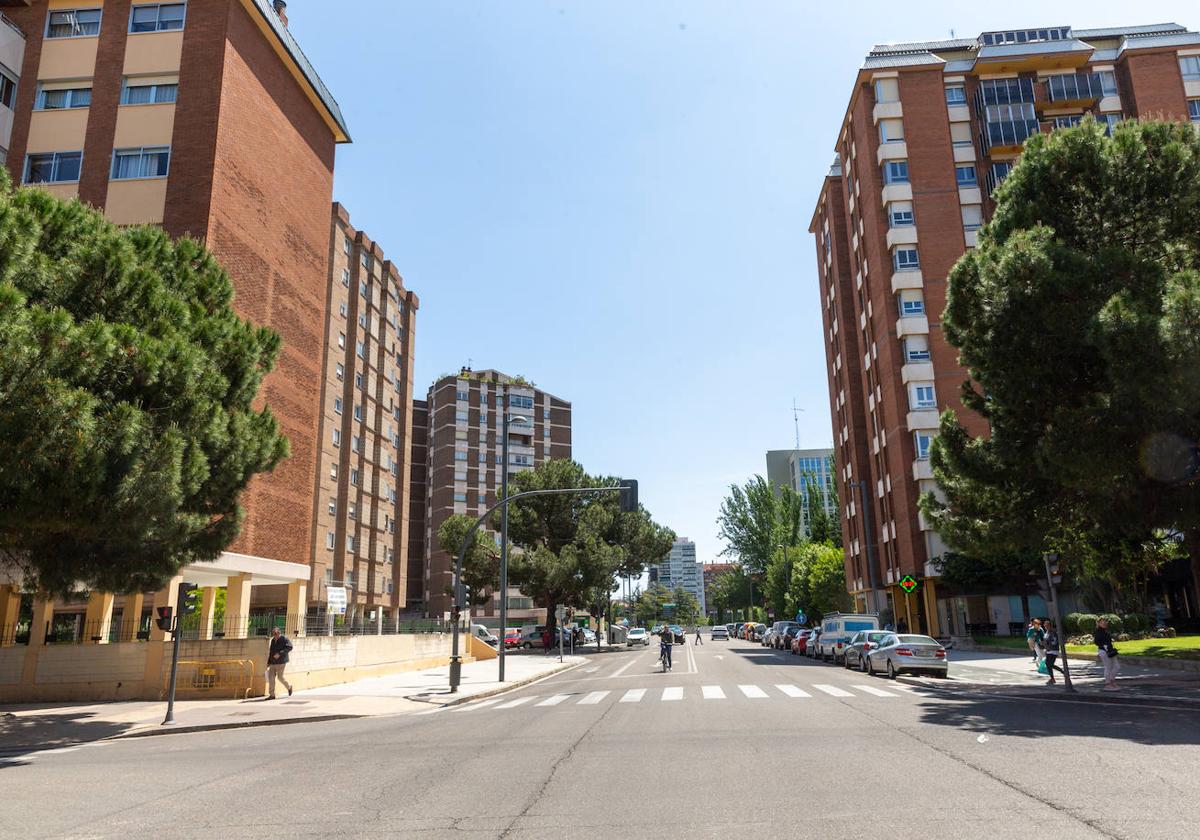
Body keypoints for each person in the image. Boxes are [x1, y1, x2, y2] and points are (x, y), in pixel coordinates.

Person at [266, 626, 293, 700]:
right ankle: (272, 695)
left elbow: (290, 647)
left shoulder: (284, 639)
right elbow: (271, 652)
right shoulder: (272, 640)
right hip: (273, 662)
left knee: (280, 677)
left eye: (276, 634)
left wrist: (280, 653)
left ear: (279, 633)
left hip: (281, 662)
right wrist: (268, 662)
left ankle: (289, 687)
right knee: (271, 678)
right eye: (273, 634)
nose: (274, 636)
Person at [1094, 617, 1121, 691]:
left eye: (1105, 622)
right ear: (1099, 623)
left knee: (1117, 666)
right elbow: (1096, 642)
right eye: (1103, 622)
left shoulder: (1105, 631)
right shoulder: (1098, 631)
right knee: (1108, 667)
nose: (1105, 623)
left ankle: (1112, 680)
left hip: (1110, 650)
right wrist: (1104, 645)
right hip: (1103, 651)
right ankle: (1108, 683)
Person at [1042, 621, 1067, 685]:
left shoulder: (1053, 632)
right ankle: (1059, 675)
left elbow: (1054, 641)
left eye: (1047, 626)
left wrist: (1048, 644)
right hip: (1048, 650)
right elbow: (1045, 640)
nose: (1045, 627)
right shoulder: (1046, 632)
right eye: (1045, 626)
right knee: (1049, 664)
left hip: (1053, 650)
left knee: (1049, 664)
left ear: (1050, 626)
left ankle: (1060, 674)